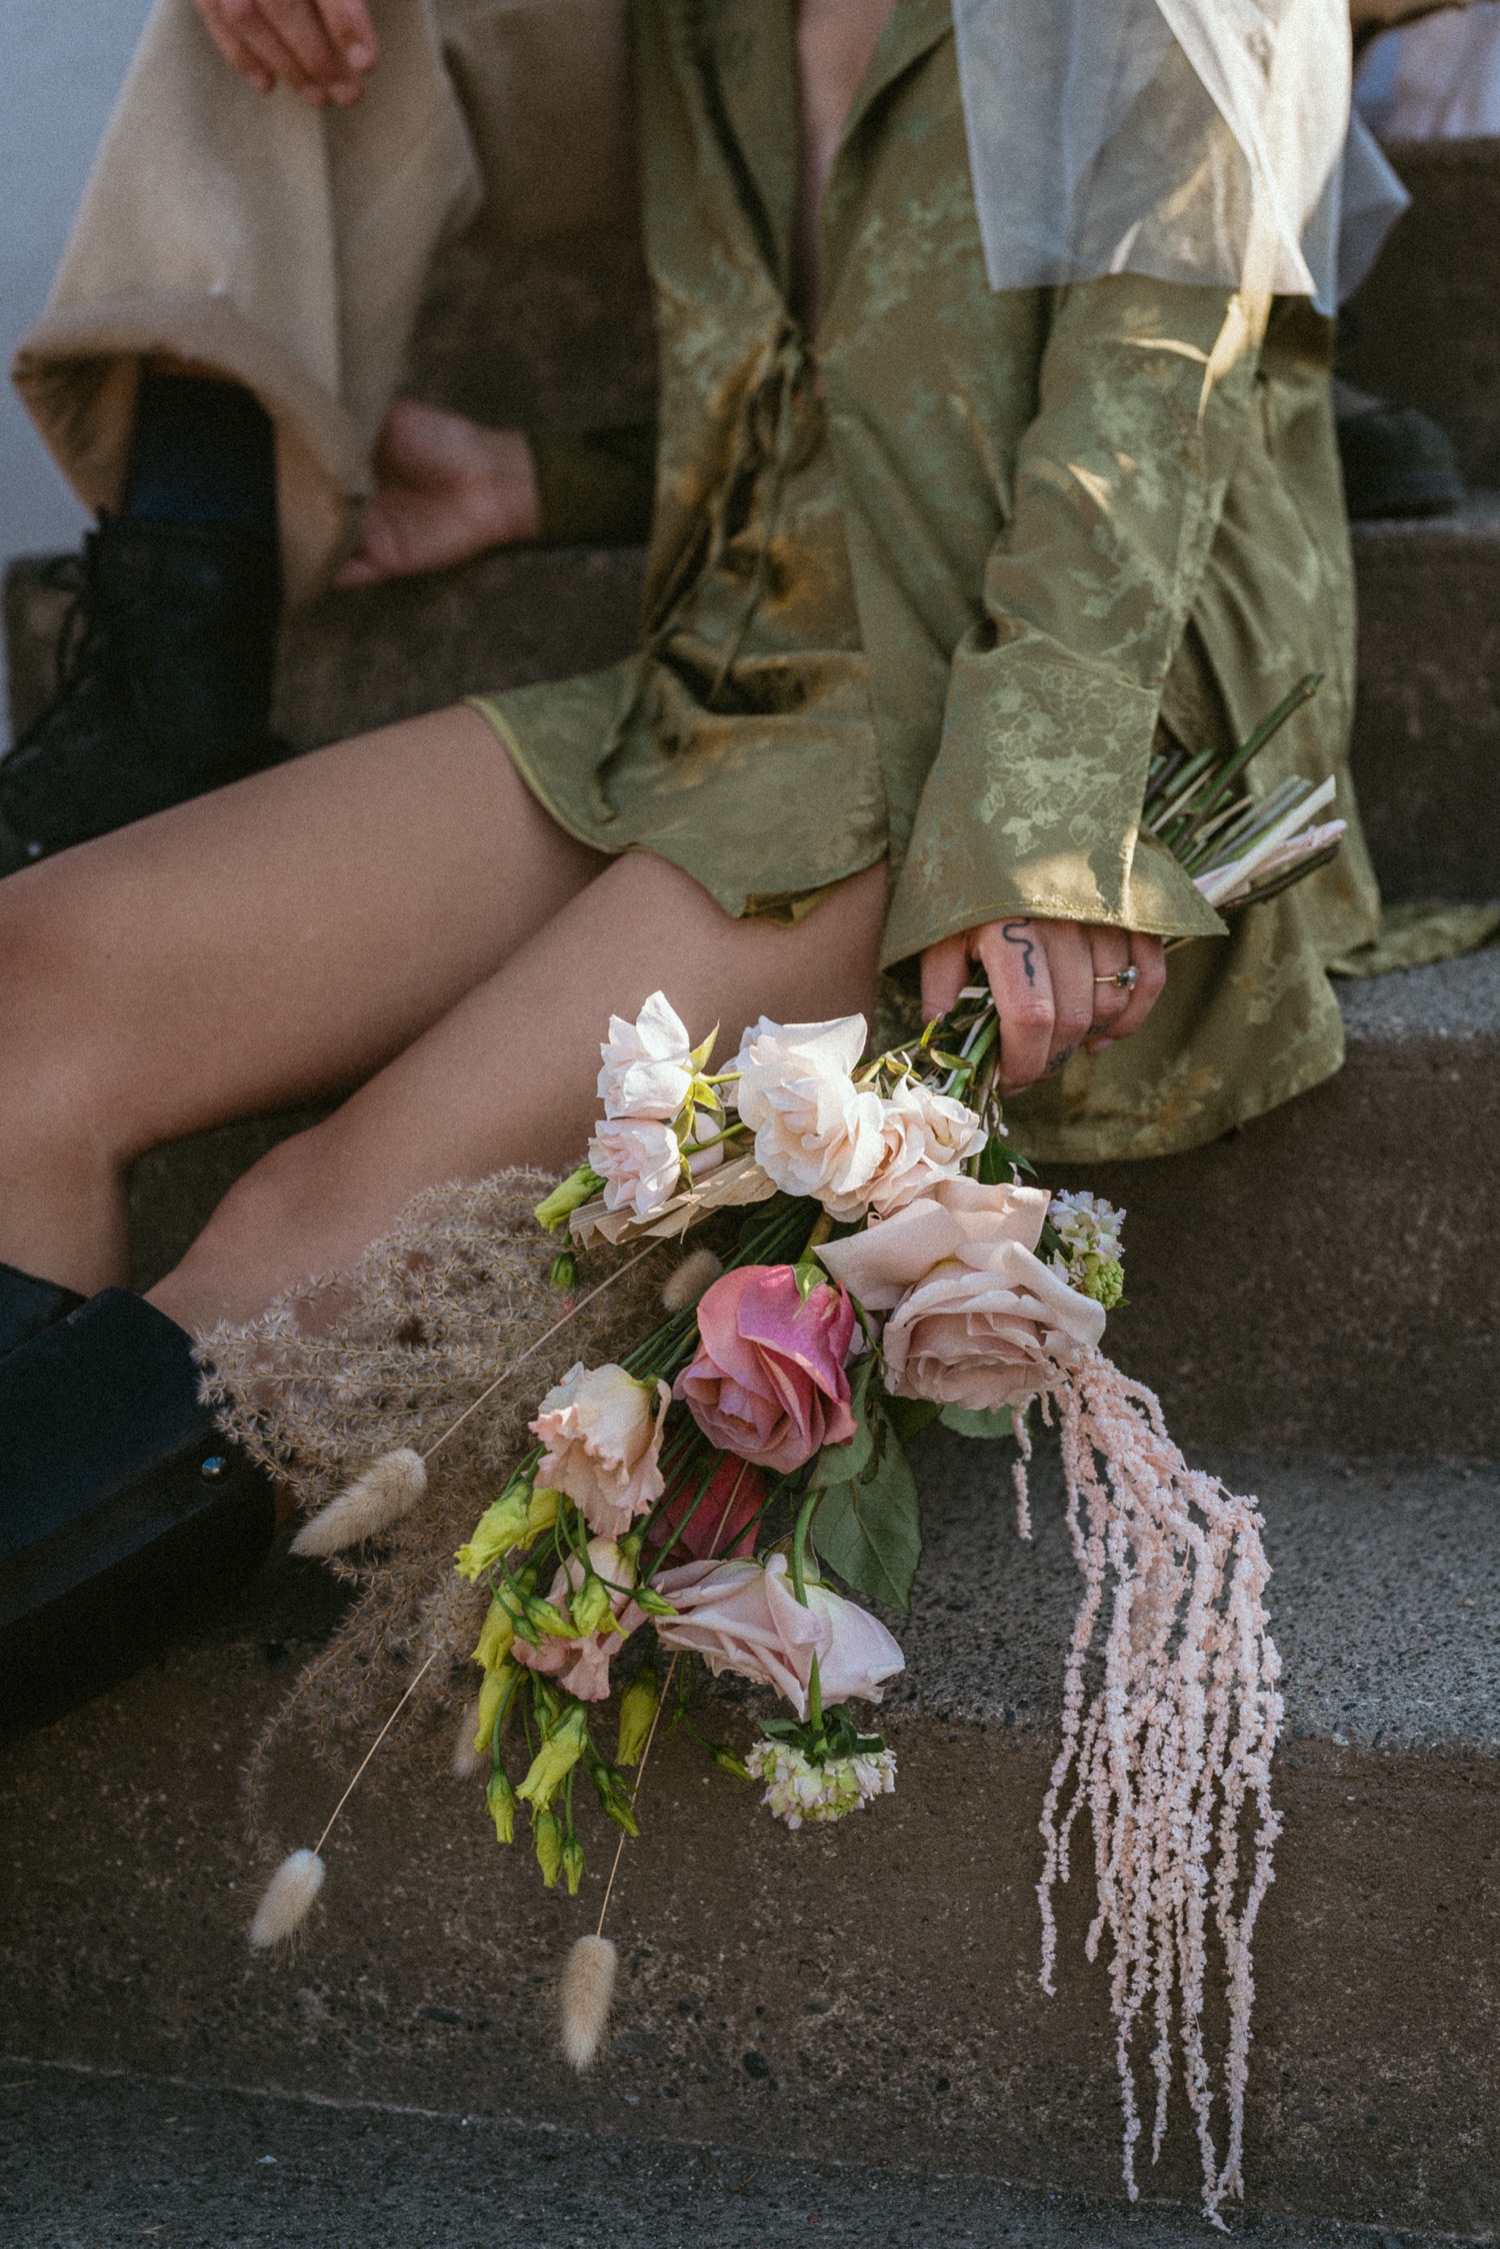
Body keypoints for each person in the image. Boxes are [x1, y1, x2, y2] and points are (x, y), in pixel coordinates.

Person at [0, 0, 1385, 1708]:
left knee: (294, 1257)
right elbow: (862, 366)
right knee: (32, 986)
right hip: (718, 674)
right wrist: (551, 481)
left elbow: (1151, 400)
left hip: (996, 724)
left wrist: (1036, 827)